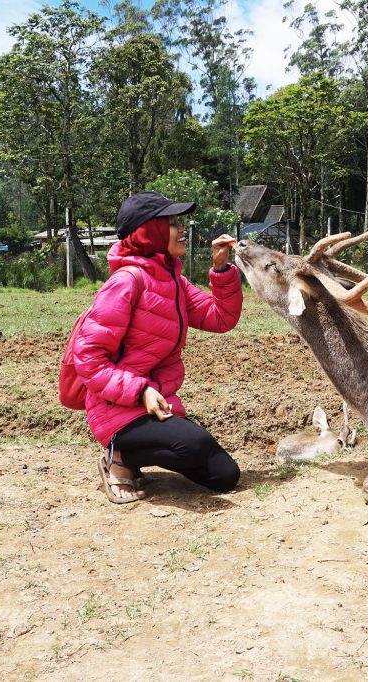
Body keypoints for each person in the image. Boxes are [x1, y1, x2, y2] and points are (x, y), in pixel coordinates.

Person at [73, 191, 244, 504]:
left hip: (157, 404)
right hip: (117, 408)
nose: (181, 230)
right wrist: (141, 391)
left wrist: (220, 269)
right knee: (193, 444)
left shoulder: (172, 281)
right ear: (147, 231)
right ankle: (120, 460)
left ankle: (142, 452)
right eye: (172, 223)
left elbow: (220, 318)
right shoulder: (126, 281)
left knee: (225, 477)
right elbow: (89, 359)